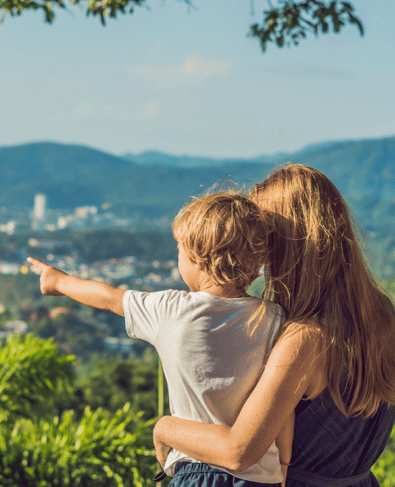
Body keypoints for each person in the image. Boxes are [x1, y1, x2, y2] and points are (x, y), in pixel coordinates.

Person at [153, 165, 395, 487]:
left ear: (283, 244)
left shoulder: (304, 337)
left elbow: (238, 451)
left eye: (261, 236)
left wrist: (165, 429)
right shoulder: (378, 314)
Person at [27, 191, 290, 486]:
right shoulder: (275, 319)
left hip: (196, 469)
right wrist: (282, 464)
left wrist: (59, 281)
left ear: (197, 257)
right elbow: (283, 404)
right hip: (259, 476)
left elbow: (108, 298)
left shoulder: (171, 309)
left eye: (179, 248)